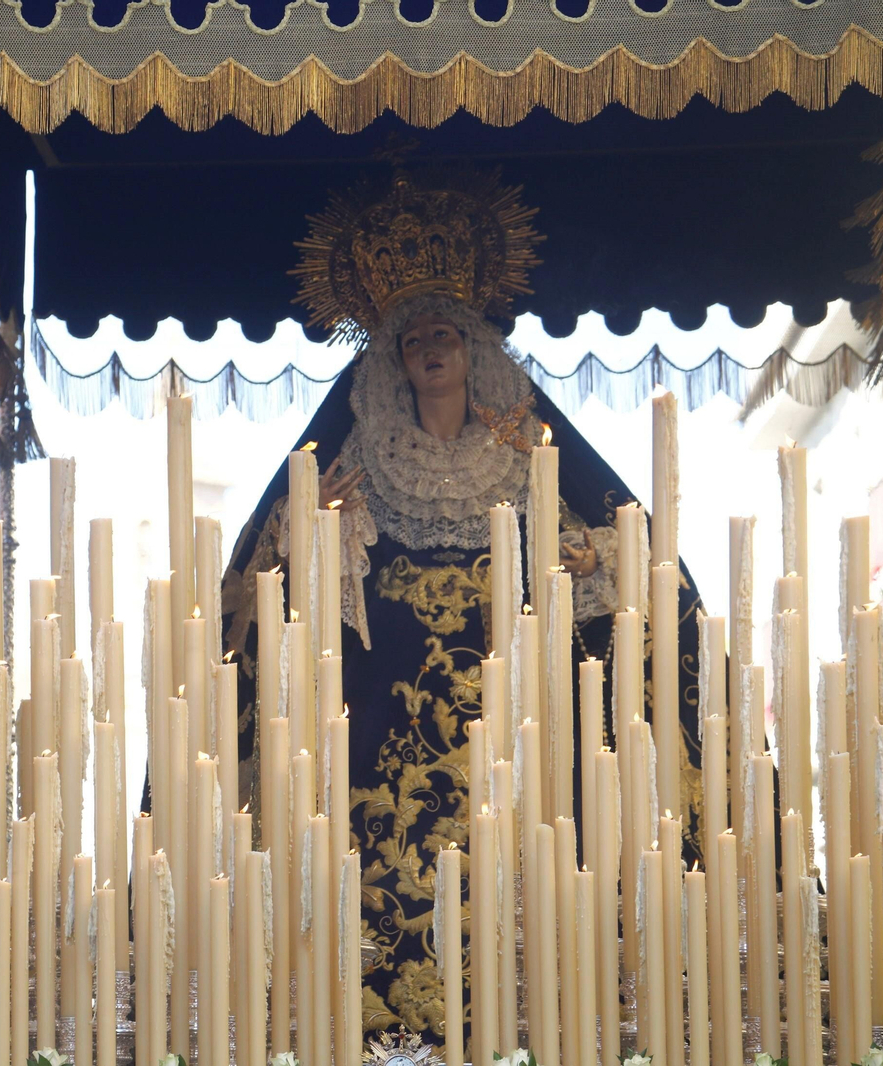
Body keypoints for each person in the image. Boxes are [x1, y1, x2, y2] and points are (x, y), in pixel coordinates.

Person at [220, 171, 705, 1039]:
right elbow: (267, 597)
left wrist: (585, 556)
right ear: (392, 361)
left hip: (515, 739)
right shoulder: (358, 468)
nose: (432, 348)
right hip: (370, 748)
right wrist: (311, 536)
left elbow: (629, 569)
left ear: (474, 348)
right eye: (414, 340)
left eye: (446, 333)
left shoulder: (530, 460)